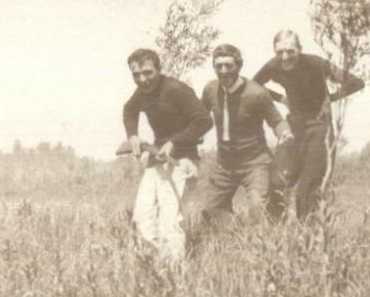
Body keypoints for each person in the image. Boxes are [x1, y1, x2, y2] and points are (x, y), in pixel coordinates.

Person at [253, 30, 365, 222]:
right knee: (277, 181)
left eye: (290, 51)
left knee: (307, 189)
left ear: (299, 49)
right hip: (294, 127)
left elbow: (356, 82)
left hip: (319, 127)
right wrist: (280, 98)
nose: (285, 57)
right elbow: (254, 84)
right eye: (280, 52)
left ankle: (309, 239)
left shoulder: (316, 63)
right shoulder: (274, 65)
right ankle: (275, 237)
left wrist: (330, 98)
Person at [122, 48, 213, 261]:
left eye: (147, 72)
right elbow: (129, 110)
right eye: (136, 75)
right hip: (156, 159)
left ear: (159, 70)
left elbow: (204, 120)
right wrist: (133, 135)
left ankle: (174, 275)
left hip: (182, 160)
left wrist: (175, 141)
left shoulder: (175, 89)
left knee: (169, 222)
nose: (143, 79)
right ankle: (152, 270)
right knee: (142, 218)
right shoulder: (142, 92)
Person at [201, 44, 292, 224]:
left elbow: (276, 121)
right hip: (225, 164)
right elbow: (199, 117)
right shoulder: (210, 90)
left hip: (255, 163)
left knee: (257, 207)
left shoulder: (257, 93)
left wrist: (285, 133)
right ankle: (235, 235)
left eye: (229, 66)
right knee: (213, 210)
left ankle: (265, 236)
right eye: (218, 66)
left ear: (239, 66)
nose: (223, 71)